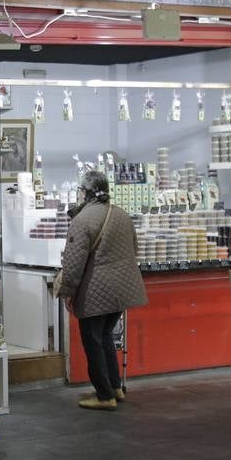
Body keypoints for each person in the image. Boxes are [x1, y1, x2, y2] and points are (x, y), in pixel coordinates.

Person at [56, 169, 146, 411]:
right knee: (105, 336)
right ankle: (115, 386)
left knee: (93, 341)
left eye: (79, 190)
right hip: (122, 290)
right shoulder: (121, 215)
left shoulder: (82, 220)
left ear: (86, 192)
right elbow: (134, 248)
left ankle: (104, 395)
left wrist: (67, 292)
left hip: (96, 291)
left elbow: (73, 265)